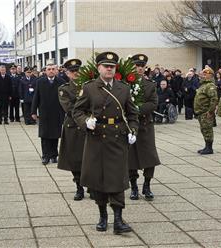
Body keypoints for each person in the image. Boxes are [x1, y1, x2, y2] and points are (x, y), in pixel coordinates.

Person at [73, 52, 138, 234]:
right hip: (96, 138)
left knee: (117, 178)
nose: (109, 69)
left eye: (112, 66)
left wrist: (133, 130)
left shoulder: (123, 89)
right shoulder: (89, 88)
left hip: (117, 139)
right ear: (99, 68)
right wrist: (86, 121)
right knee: (98, 179)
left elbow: (132, 114)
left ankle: (118, 219)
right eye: (105, 66)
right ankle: (103, 216)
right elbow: (77, 111)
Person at [128, 54, 160, 201]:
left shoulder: (150, 84)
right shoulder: (124, 84)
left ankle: (147, 185)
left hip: (145, 125)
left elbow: (153, 103)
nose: (140, 68)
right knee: (130, 158)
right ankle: (133, 186)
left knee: (150, 156)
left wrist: (137, 109)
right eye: (137, 66)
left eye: (142, 66)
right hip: (130, 126)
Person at [57, 59, 87, 201]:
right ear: (67, 73)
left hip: (88, 125)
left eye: (77, 70)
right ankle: (79, 187)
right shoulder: (64, 89)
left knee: (90, 157)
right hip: (73, 126)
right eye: (72, 71)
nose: (76, 73)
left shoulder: (89, 86)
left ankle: (92, 186)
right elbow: (69, 108)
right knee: (75, 158)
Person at [31, 64, 65, 165]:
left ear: (56, 71)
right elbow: (36, 97)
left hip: (57, 112)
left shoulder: (61, 82)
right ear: (45, 71)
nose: (51, 71)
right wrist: (33, 111)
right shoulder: (40, 82)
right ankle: (45, 156)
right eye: (49, 69)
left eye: (53, 69)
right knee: (44, 135)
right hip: (44, 112)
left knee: (55, 135)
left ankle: (54, 155)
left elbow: (64, 99)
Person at [194, 68, 218, 154]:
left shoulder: (210, 85)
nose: (203, 75)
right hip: (201, 112)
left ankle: (209, 148)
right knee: (204, 129)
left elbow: (214, 99)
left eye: (205, 74)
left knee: (207, 129)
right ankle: (206, 146)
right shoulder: (203, 85)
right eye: (203, 74)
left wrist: (211, 111)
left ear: (210, 75)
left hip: (206, 112)